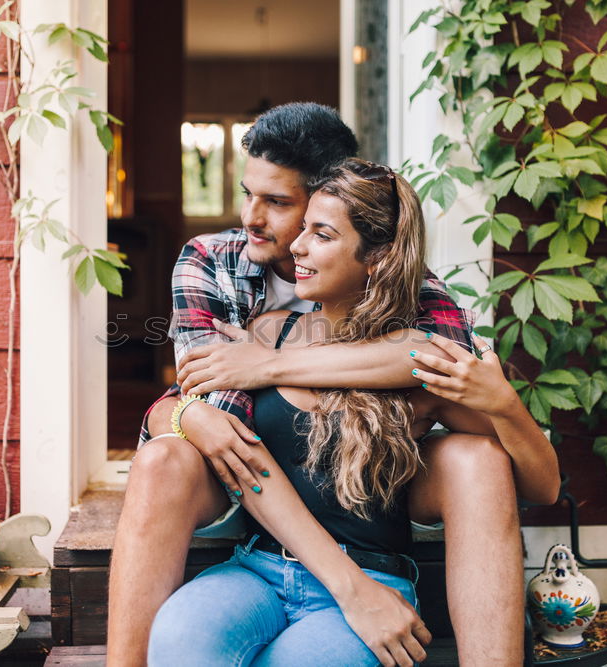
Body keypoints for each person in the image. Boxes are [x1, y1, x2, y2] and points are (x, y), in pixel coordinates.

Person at [106, 103, 547, 666]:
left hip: (375, 487)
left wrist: (266, 364)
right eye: (247, 194)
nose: (251, 218)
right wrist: (183, 412)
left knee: (475, 458)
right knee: (162, 461)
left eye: (279, 203)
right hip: (245, 485)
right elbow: (214, 403)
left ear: (326, 198)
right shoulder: (211, 261)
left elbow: (440, 357)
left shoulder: (400, 277)